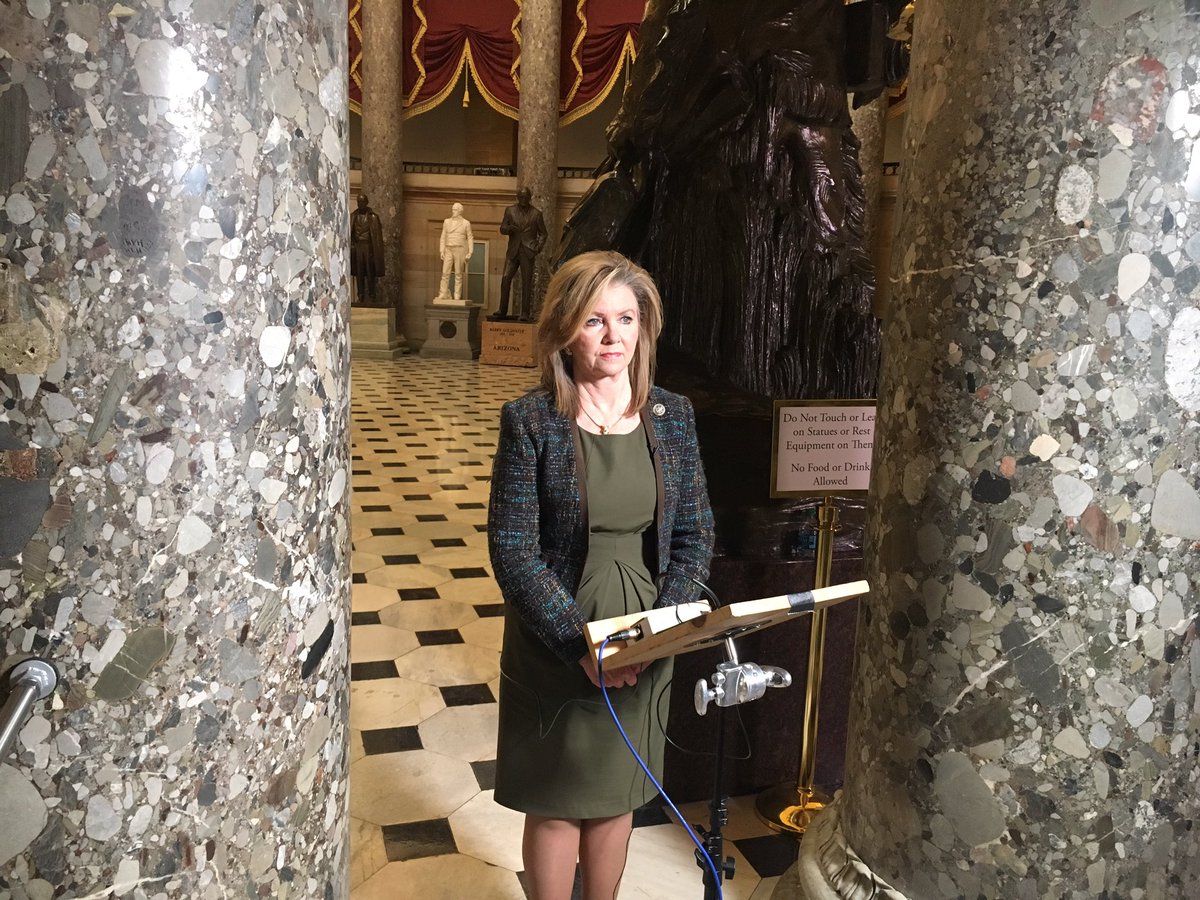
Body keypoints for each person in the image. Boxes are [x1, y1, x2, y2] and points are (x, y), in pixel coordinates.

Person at [488, 250, 715, 899]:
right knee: (558, 799)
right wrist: (580, 645)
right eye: (594, 320)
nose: (614, 336)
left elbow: (696, 534)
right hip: (558, 634)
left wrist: (659, 632)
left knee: (616, 796)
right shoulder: (532, 421)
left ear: (644, 327)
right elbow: (513, 549)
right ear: (565, 330)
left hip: (645, 633)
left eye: (626, 318)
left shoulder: (672, 416)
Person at [495, 187, 548, 321]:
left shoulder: (536, 214)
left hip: (528, 251)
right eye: (521, 197)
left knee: (526, 282)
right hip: (513, 250)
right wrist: (509, 229)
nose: (523, 199)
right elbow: (502, 228)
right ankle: (502, 310)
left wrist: (538, 247)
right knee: (505, 279)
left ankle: (525, 313)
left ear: (529, 198)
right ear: (518, 197)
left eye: (526, 197)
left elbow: (543, 233)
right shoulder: (510, 210)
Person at [350, 194, 385, 305]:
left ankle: (372, 295)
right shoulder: (353, 216)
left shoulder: (373, 217)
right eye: (359, 202)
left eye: (362, 202)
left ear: (366, 203)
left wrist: (376, 253)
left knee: (370, 272)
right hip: (357, 247)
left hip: (369, 247)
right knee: (359, 272)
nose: (360, 204)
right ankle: (360, 295)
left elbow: (377, 237)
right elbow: (350, 234)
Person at [437, 202, 474, 300]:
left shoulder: (466, 223)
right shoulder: (447, 222)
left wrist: (470, 251)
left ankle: (457, 294)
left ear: (460, 211)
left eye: (455, 210)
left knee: (458, 273)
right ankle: (443, 292)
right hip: (448, 248)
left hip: (460, 248)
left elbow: (470, 237)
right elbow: (443, 236)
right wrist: (441, 250)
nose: (453, 211)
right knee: (445, 272)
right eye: (453, 209)